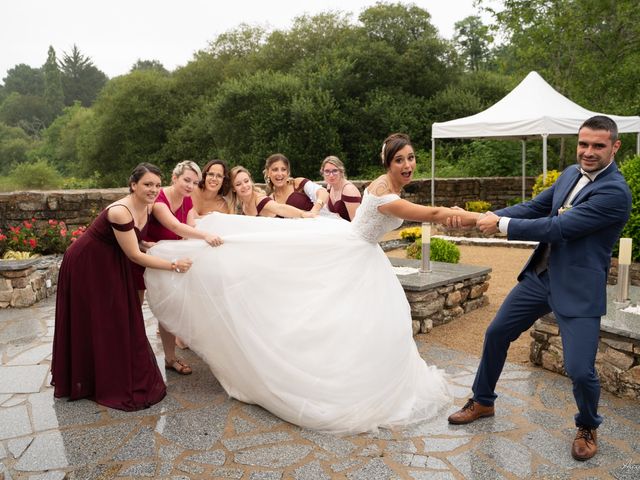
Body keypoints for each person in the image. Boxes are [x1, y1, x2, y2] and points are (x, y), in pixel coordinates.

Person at [144, 133, 478, 433]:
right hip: (354, 251)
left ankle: (360, 372)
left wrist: (450, 210)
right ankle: (332, 378)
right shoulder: (385, 195)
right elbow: (430, 215)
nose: (407, 165)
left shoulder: (386, 185)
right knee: (320, 308)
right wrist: (473, 216)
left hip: (359, 250)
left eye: (410, 158)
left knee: (366, 319)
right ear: (387, 163)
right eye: (399, 160)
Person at [447, 116, 632, 462]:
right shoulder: (568, 174)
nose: (588, 152)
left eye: (598, 146)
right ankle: (483, 400)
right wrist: (482, 217)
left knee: (580, 370)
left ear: (615, 146)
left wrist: (499, 224)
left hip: (578, 287)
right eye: (583, 144)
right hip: (540, 276)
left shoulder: (615, 193)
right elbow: (535, 207)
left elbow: (558, 227)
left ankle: (588, 424)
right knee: (497, 332)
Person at [51, 163, 194, 411]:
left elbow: (138, 241)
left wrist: (152, 246)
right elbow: (134, 256)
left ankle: (105, 372)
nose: (153, 189)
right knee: (97, 318)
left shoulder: (148, 206)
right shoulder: (120, 211)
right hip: (87, 263)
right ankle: (89, 377)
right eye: (147, 184)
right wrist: (173, 264)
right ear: (133, 185)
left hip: (110, 261)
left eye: (157, 185)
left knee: (114, 319)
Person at [139, 160, 224, 372]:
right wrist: (206, 236)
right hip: (142, 259)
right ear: (174, 178)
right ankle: (134, 357)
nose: (190, 186)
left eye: (195, 183)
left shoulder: (187, 202)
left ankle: (169, 358)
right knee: (134, 310)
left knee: (169, 308)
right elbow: (176, 226)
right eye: (186, 180)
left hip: (168, 263)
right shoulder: (159, 200)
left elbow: (190, 227)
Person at [230, 165, 316, 218]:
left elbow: (280, 208)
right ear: (233, 188)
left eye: (246, 181)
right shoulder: (241, 204)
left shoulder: (259, 199)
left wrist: (302, 214)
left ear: (251, 181)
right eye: (238, 184)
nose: (244, 186)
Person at [264, 153, 329, 215]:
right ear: (268, 173)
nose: (280, 174)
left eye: (283, 169)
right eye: (275, 170)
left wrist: (315, 209)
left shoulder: (297, 183)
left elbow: (323, 192)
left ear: (288, 172)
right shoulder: (270, 200)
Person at [320, 155, 362, 221]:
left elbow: (357, 223)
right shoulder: (330, 186)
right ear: (323, 173)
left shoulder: (348, 190)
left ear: (341, 171)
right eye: (327, 171)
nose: (331, 175)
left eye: (335, 171)